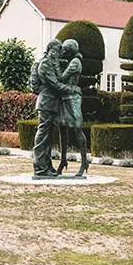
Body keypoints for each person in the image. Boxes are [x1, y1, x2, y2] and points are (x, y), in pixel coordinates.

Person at [32, 39, 80, 177]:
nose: (60, 54)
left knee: (47, 137)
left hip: (51, 103)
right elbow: (55, 84)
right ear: (52, 50)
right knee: (43, 135)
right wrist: (72, 89)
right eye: (58, 51)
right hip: (46, 101)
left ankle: (47, 166)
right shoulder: (46, 63)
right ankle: (40, 168)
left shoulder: (51, 62)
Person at [55, 39, 89, 177]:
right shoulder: (70, 62)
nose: (62, 52)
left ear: (69, 51)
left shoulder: (75, 63)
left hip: (73, 97)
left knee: (77, 128)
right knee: (62, 129)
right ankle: (63, 161)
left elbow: (62, 78)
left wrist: (55, 65)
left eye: (64, 50)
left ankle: (84, 162)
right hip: (64, 97)